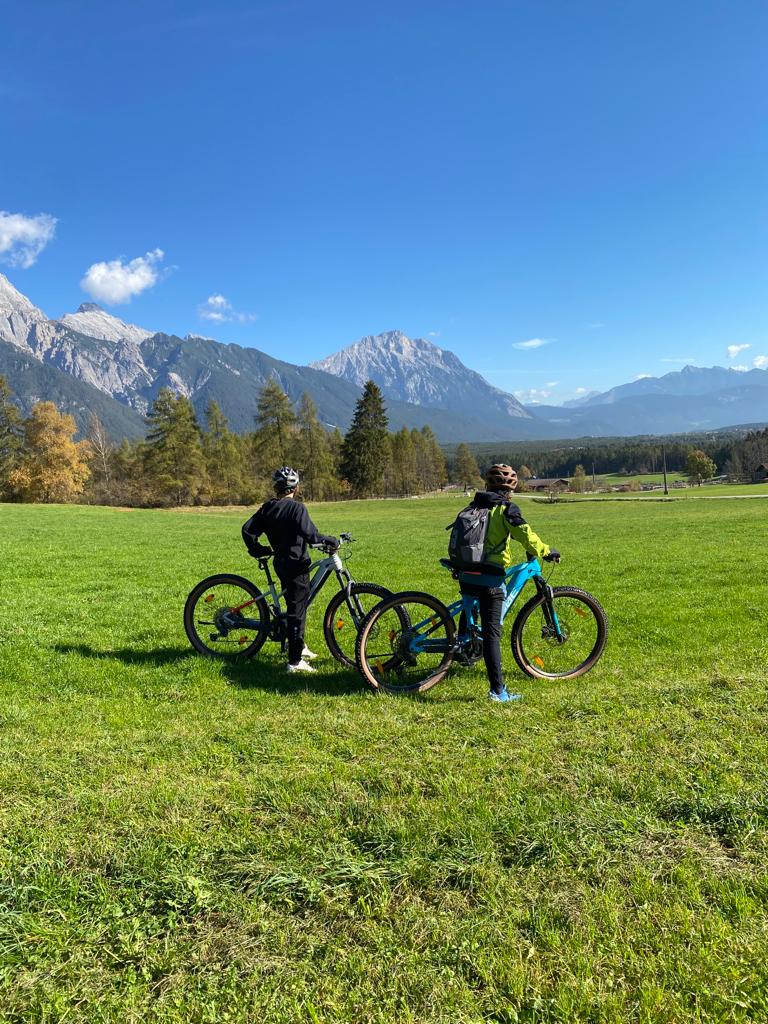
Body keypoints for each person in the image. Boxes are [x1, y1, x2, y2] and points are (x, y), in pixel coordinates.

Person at [460, 464, 560, 703]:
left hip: (466, 572)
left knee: (471, 606)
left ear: (487, 485)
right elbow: (524, 533)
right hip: (490, 577)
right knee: (492, 634)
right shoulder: (505, 509)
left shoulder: (474, 506)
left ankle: (465, 646)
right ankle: (498, 692)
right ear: (511, 489)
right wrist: (546, 551)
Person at [242, 466, 338, 674]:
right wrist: (330, 540)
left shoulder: (267, 508)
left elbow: (247, 530)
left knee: (298, 605)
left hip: (281, 563)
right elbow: (311, 535)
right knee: (297, 610)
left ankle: (299, 646)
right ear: (296, 487)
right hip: (296, 565)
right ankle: (294, 662)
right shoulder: (297, 508)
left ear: (276, 487)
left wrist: (257, 549)